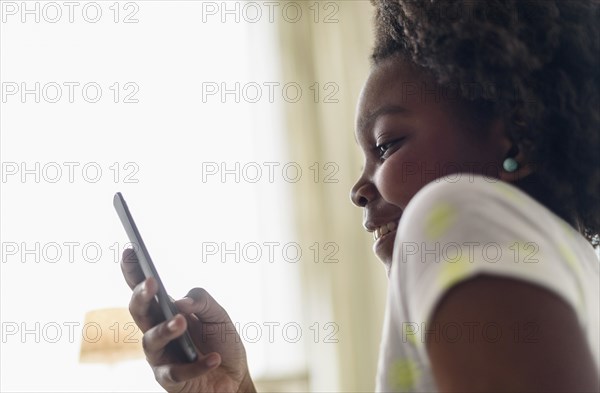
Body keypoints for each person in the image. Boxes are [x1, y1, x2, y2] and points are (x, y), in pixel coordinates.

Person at [121, 0, 600, 391]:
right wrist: (234, 386)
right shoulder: (571, 267)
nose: (358, 188)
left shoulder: (457, 212)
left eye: (387, 144)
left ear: (514, 133)